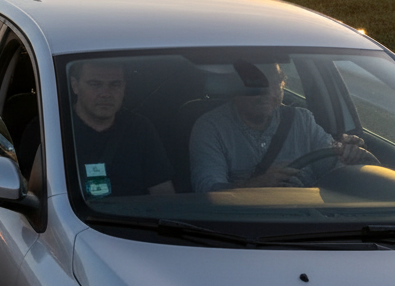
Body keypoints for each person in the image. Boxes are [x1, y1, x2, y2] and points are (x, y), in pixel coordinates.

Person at [189, 63, 370, 192]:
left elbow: (333, 171)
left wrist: (350, 157)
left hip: (310, 221)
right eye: (257, 84)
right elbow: (208, 193)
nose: (268, 92)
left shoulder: (302, 120)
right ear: (235, 89)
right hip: (244, 227)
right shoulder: (211, 128)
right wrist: (257, 185)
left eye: (275, 82)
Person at [66, 61, 174, 198]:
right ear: (75, 85)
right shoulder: (56, 128)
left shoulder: (140, 128)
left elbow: (163, 194)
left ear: (124, 87)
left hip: (133, 218)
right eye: (95, 84)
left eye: (115, 85)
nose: (105, 94)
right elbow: (37, 197)